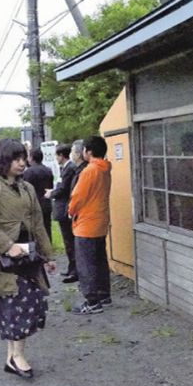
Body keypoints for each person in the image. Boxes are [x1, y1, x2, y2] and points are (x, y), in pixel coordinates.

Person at [0, 139, 57, 378]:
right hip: (5, 260)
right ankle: (17, 357)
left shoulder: (27, 187)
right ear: (4, 160)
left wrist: (48, 255)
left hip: (28, 256)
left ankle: (12, 356)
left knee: (29, 304)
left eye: (24, 158)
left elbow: (38, 224)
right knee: (14, 305)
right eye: (16, 159)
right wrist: (8, 246)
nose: (22, 163)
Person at [68, 135, 112, 315]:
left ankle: (92, 301)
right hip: (101, 220)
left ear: (89, 151)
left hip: (86, 223)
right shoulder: (105, 169)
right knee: (100, 260)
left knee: (86, 263)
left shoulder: (89, 171)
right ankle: (104, 295)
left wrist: (70, 211)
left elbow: (78, 196)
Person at [46, 144, 79, 283]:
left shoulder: (69, 169)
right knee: (67, 241)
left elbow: (64, 188)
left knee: (70, 241)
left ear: (61, 155)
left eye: (57, 155)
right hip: (63, 208)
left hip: (65, 209)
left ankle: (75, 270)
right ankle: (72, 268)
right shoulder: (66, 168)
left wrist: (51, 193)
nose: (56, 158)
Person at [22, 147, 54, 242]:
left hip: (34, 205)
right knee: (47, 228)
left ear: (31, 158)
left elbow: (25, 189)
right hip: (46, 203)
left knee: (36, 230)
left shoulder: (29, 172)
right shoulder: (48, 170)